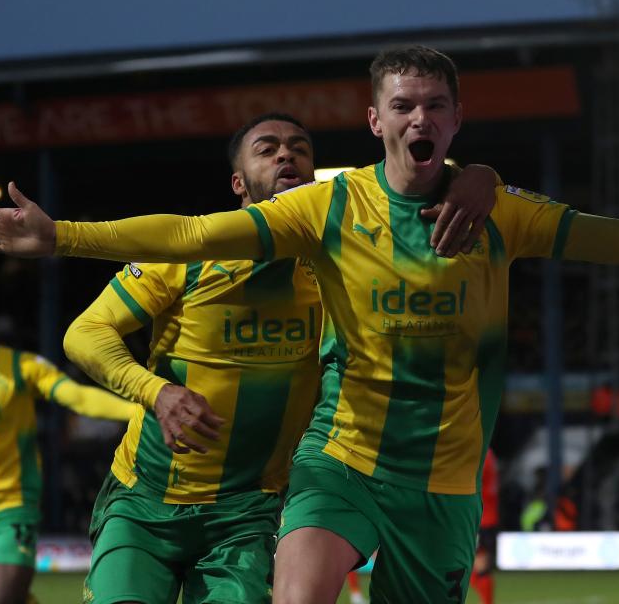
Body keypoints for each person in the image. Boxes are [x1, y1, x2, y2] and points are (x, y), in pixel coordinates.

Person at [0, 44, 619, 604]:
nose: (419, 117)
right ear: (376, 120)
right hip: (337, 461)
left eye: (436, 106)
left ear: (457, 119)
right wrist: (61, 236)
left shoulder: (499, 210)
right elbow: (192, 233)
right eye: (403, 105)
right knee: (301, 594)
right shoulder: (328, 211)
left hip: (440, 483)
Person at [61, 112, 498, 604]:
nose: (286, 154)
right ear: (237, 181)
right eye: (267, 149)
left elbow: (404, 177)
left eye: (299, 148)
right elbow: (85, 332)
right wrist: (155, 391)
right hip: (143, 500)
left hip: (249, 516)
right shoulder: (187, 252)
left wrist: (476, 174)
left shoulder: (336, 266)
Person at [0, 284, 134, 604]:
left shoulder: (24, 368)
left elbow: (76, 396)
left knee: (3, 600)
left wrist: (138, 410)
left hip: (14, 505)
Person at [469, 448, 498, 604]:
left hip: (482, 519)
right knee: (472, 567)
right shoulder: (488, 454)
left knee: (480, 567)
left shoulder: (481, 456)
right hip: (486, 517)